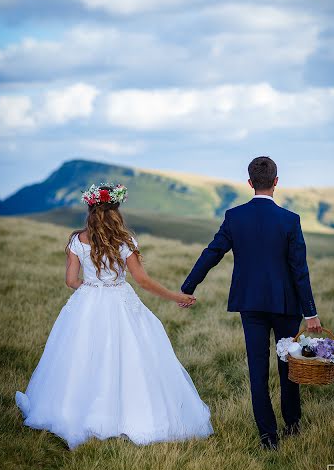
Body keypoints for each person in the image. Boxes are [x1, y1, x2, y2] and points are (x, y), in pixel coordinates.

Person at [16, 182, 213, 449]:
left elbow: (71, 280)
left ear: (90, 208)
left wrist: (91, 288)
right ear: (116, 210)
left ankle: (75, 412)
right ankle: (128, 413)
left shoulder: (77, 240)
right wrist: (178, 296)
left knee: (82, 356)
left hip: (87, 301)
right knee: (130, 354)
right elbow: (142, 281)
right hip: (120, 300)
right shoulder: (125, 241)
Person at [181, 156, 321, 450]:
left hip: (251, 304)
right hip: (286, 305)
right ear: (276, 182)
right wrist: (311, 312)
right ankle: (293, 425)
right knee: (289, 365)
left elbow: (212, 252)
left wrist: (189, 286)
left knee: (257, 369)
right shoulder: (290, 220)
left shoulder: (234, 217)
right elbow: (300, 269)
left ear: (249, 183)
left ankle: (268, 437)